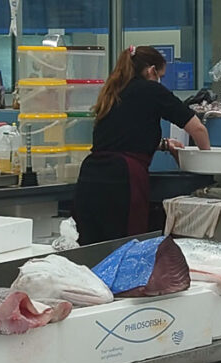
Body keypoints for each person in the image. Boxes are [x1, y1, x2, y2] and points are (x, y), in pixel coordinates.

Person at [73, 45, 211, 245]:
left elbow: (124, 133)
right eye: (160, 74)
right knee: (125, 247)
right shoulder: (151, 90)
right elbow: (198, 130)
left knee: (92, 251)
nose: (160, 79)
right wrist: (206, 158)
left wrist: (164, 144)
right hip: (122, 179)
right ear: (151, 70)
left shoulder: (113, 91)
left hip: (90, 178)